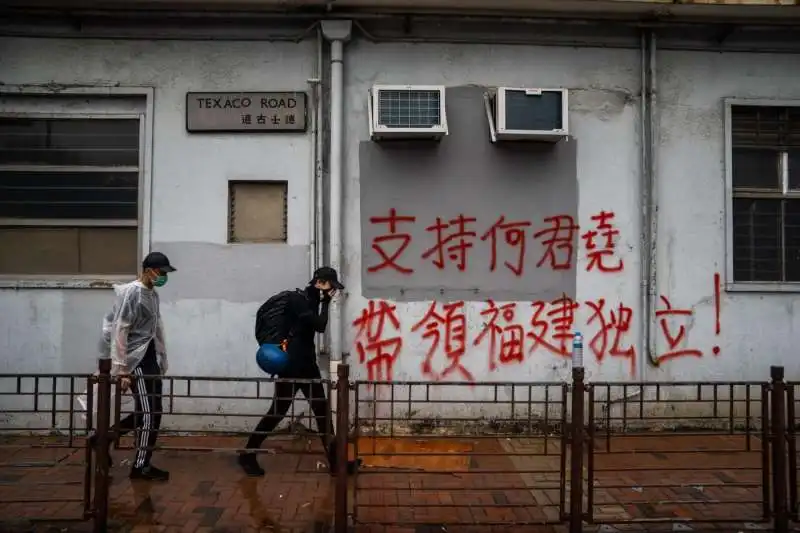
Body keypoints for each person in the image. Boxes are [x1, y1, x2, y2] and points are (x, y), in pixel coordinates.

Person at [239, 266, 359, 477]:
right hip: (293, 365)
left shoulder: (309, 301)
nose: (331, 291)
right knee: (279, 412)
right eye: (330, 286)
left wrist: (323, 300)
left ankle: (336, 463)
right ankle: (248, 454)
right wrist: (327, 301)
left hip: (305, 364)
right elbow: (320, 325)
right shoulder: (299, 301)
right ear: (320, 282)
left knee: (319, 413)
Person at [91, 251, 176, 481]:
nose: (163, 277)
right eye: (160, 272)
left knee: (151, 410)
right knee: (150, 413)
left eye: (165, 273)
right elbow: (120, 330)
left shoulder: (152, 294)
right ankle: (140, 466)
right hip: (133, 359)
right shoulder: (133, 293)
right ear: (148, 270)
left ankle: (103, 439)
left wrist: (162, 357)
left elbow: (156, 327)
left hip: (148, 357)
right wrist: (123, 370)